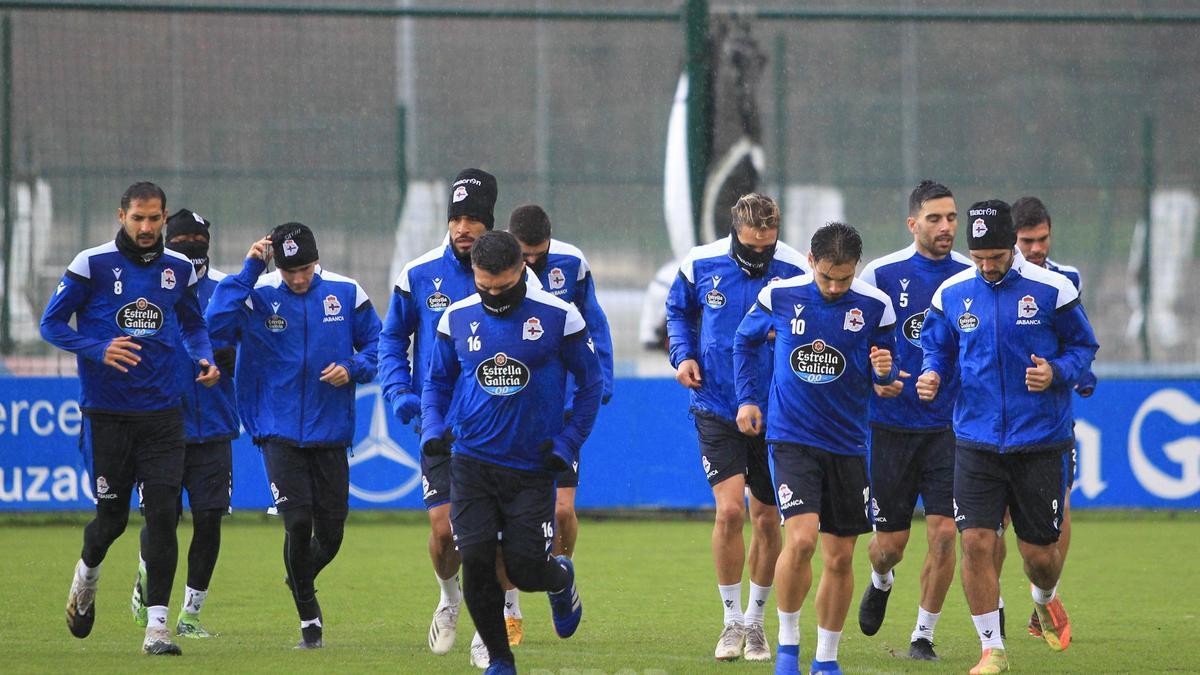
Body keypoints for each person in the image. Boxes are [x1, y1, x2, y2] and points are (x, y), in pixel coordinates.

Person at [918, 200, 1098, 674]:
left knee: (1041, 556)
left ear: (1012, 246)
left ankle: (1044, 598)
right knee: (976, 541)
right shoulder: (952, 293)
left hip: (1039, 440)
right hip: (975, 440)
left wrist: (1056, 372)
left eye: (996, 255)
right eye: (979, 257)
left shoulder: (1052, 289)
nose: (986, 265)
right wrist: (932, 374)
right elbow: (937, 347)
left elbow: (1084, 349)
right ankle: (992, 648)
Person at [41, 181, 219, 656]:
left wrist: (203, 356)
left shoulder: (179, 269)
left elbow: (193, 322)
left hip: (163, 414)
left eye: (154, 219)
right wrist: (98, 348)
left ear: (164, 219)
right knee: (111, 520)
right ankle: (87, 576)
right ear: (121, 215)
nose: (146, 228)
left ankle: (157, 628)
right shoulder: (91, 264)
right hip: (107, 414)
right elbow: (51, 323)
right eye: (137, 218)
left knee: (164, 517)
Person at [421, 230, 603, 675]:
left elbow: (590, 384)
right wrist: (433, 426)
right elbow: (437, 382)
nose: (494, 295)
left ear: (522, 269)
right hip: (472, 463)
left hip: (532, 467)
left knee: (524, 569)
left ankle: (560, 579)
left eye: (503, 287)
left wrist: (568, 442)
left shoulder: (560, 317)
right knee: (478, 562)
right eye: (485, 287)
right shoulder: (456, 319)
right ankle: (501, 660)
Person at [205, 222, 381, 648]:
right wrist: (247, 272)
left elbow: (380, 346)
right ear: (275, 267)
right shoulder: (257, 293)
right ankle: (309, 619)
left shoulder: (347, 293)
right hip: (275, 427)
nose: (298, 278)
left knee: (332, 535)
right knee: (298, 522)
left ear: (317, 260)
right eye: (289, 271)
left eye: (304, 268)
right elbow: (213, 328)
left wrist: (353, 368)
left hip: (331, 430)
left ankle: (297, 576)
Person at [734, 222, 898, 675]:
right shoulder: (780, 296)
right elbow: (744, 342)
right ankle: (787, 648)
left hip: (847, 444)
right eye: (826, 276)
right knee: (801, 540)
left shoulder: (875, 306)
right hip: (792, 439)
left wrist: (884, 371)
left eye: (843, 279)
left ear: (856, 270)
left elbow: (887, 369)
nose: (833, 286)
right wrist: (748, 397)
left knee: (841, 557)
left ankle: (826, 658)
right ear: (810, 260)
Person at [665, 193, 808, 662]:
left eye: (767, 247)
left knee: (767, 519)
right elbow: (679, 311)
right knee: (729, 512)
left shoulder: (793, 268)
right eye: (751, 248)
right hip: (715, 402)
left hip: (776, 409)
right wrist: (682, 354)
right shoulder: (700, 262)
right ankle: (729, 622)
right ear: (735, 234)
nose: (759, 256)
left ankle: (755, 621)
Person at [378, 168, 502, 660]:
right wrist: (399, 393)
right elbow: (392, 339)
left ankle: (487, 629)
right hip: (440, 423)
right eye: (457, 218)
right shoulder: (418, 274)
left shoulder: (511, 271)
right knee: (445, 530)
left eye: (474, 218)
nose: (464, 228)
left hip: (497, 425)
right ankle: (450, 599)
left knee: (489, 535)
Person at [854, 181, 971, 660]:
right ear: (912, 224)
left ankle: (923, 635)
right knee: (890, 544)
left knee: (945, 534)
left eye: (951, 218)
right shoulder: (882, 273)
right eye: (935, 219)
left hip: (951, 429)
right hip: (890, 429)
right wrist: (873, 378)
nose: (946, 227)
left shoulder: (972, 274)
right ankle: (882, 578)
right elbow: (854, 338)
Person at [500, 203, 614, 645]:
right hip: (509, 408)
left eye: (536, 254)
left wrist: (600, 373)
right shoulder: (494, 264)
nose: (528, 263)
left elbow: (594, 321)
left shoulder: (572, 263)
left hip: (559, 407)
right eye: (521, 254)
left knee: (563, 510)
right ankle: (510, 610)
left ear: (549, 242)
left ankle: (556, 579)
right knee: (504, 521)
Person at [129, 209, 240, 639]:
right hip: (161, 427)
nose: (192, 245)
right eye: (183, 238)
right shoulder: (148, 288)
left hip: (213, 426)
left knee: (209, 521)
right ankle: (147, 578)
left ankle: (191, 613)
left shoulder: (228, 291)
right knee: (162, 519)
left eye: (199, 238)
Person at [989, 195, 1096, 641]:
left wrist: (1074, 374)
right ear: (1011, 241)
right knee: (991, 521)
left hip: (1049, 422)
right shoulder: (986, 277)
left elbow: (1078, 342)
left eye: (1043, 239)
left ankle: (1042, 596)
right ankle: (992, 608)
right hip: (993, 423)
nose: (1037, 248)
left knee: (1058, 510)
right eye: (1027, 241)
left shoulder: (1065, 279)